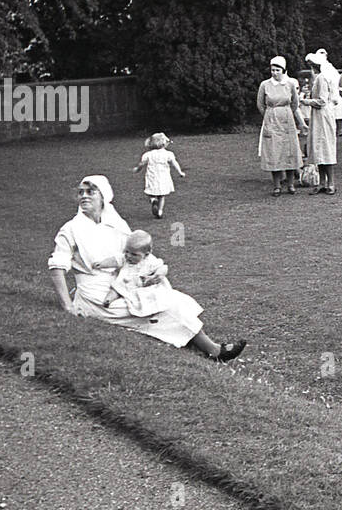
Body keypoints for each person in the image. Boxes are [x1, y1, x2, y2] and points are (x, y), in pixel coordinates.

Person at [48, 176, 246, 360]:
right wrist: (67, 305)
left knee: (168, 294)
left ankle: (192, 340)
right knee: (162, 305)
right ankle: (214, 350)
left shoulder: (115, 222)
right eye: (81, 192)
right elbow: (57, 266)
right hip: (98, 295)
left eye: (90, 192)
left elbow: (139, 251)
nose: (84, 196)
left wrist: (160, 270)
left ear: (103, 196)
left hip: (125, 281)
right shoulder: (71, 229)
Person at [257, 56, 306, 196]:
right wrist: (269, 115)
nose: (274, 73)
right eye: (272, 70)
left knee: (289, 151)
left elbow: (295, 103)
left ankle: (290, 184)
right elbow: (260, 104)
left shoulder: (289, 84)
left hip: (287, 119)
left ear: (283, 71)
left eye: (277, 70)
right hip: (271, 119)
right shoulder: (265, 85)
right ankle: (277, 185)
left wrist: (287, 113)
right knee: (274, 152)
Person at [102, 230, 170, 314]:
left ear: (146, 254)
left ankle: (150, 309)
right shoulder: (125, 258)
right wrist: (102, 264)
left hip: (142, 283)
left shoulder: (150, 261)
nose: (128, 256)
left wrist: (157, 275)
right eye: (126, 251)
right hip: (126, 282)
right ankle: (108, 300)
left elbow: (162, 267)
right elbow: (115, 260)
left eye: (134, 254)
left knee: (150, 294)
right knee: (116, 288)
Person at [302, 52, 339, 194]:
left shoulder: (322, 78)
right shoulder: (318, 78)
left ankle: (331, 183)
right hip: (318, 116)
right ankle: (321, 182)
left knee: (325, 148)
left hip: (323, 116)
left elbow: (322, 101)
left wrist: (307, 101)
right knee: (319, 149)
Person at [134, 132, 184, 218]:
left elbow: (142, 164)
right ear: (164, 143)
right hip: (163, 177)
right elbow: (174, 163)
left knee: (151, 192)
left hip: (152, 176)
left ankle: (153, 200)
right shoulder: (168, 154)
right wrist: (180, 172)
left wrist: (137, 169)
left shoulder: (148, 154)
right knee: (162, 195)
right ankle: (160, 211)